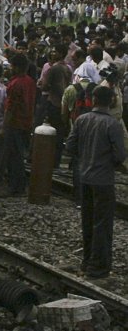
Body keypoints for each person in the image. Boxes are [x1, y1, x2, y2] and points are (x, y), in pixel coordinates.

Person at [64, 85, 127, 279]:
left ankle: (87, 260)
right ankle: (98, 267)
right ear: (111, 101)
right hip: (103, 180)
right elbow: (120, 155)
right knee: (103, 223)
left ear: (93, 99)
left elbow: (70, 146)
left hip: (85, 178)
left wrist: (85, 157)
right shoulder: (112, 124)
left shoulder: (82, 120)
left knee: (88, 219)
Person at [0, 54, 37, 196]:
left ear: (16, 67)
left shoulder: (14, 84)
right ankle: (19, 185)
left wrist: (4, 127)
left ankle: (15, 188)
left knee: (13, 156)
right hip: (26, 123)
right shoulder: (30, 81)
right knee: (20, 155)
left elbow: (10, 107)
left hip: (15, 123)